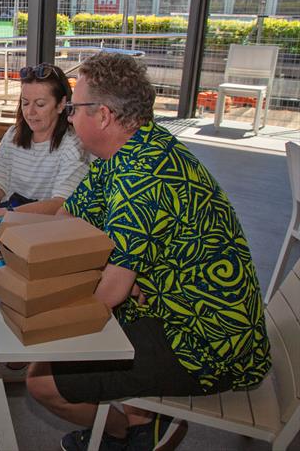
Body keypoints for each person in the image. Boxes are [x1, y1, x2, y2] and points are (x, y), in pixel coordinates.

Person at [26, 53, 271, 451]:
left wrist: (35, 317)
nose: (68, 117)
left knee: (41, 380)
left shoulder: (143, 176)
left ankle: (128, 432)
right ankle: (145, 417)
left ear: (102, 115)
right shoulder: (132, 148)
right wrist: (11, 233)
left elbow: (110, 292)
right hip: (183, 308)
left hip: (207, 342)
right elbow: (70, 216)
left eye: (74, 108)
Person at [0, 63, 88, 226]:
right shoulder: (13, 134)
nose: (30, 112)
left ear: (61, 105)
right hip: (5, 220)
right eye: (25, 103)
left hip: (42, 229)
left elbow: (61, 204)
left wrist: (2, 214)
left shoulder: (73, 145)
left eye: (40, 104)